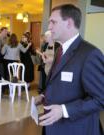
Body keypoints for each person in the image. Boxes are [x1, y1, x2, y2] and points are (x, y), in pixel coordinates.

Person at [35, 4, 104, 135]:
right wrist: (44, 96)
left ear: (69, 23)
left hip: (75, 129)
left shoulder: (90, 54)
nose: (49, 27)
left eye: (53, 22)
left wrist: (64, 110)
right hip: (53, 127)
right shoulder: (60, 50)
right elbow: (61, 84)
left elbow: (101, 98)